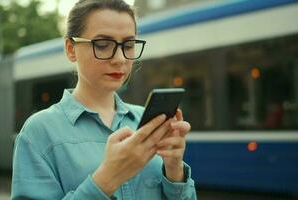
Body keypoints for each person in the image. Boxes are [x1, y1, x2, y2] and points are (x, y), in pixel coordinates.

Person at [11, 0, 197, 199]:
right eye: (102, 44)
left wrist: (174, 169)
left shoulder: (147, 122)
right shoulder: (39, 132)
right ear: (71, 49)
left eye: (128, 44)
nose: (120, 59)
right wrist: (108, 178)